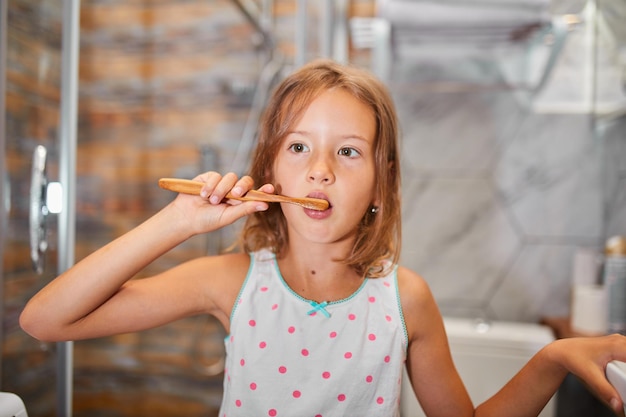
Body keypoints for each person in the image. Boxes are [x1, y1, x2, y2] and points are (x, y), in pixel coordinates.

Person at [20, 59, 626, 417]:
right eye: (299, 147)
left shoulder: (404, 300)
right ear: (272, 170)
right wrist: (177, 223)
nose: (320, 170)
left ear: (381, 186)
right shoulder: (231, 282)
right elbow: (44, 320)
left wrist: (551, 360)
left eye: (349, 152)